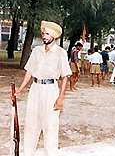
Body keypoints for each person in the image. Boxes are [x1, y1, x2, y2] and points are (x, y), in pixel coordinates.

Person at [13, 21, 72, 156]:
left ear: (54, 36)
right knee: (31, 124)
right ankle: (28, 153)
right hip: (35, 89)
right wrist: (20, 89)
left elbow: (65, 77)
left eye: (47, 34)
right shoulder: (36, 51)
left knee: (50, 126)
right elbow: (29, 72)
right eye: (43, 33)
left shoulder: (60, 53)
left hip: (51, 90)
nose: (44, 36)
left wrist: (60, 98)